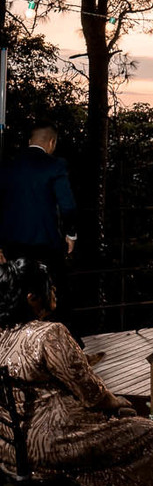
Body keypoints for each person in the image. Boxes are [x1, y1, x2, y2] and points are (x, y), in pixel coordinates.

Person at [0, 257, 153, 486]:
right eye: (48, 285)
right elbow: (91, 393)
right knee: (151, 434)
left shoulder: (3, 334)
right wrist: (116, 402)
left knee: (113, 429)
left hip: (12, 448)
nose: (54, 289)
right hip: (52, 444)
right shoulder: (49, 334)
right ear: (31, 296)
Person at [0, 124, 81, 340]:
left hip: (12, 243)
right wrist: (71, 234)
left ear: (29, 141)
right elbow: (68, 206)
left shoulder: (8, 165)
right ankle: (69, 346)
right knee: (56, 290)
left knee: (17, 294)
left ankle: (17, 345)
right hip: (45, 241)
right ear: (52, 142)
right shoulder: (55, 165)